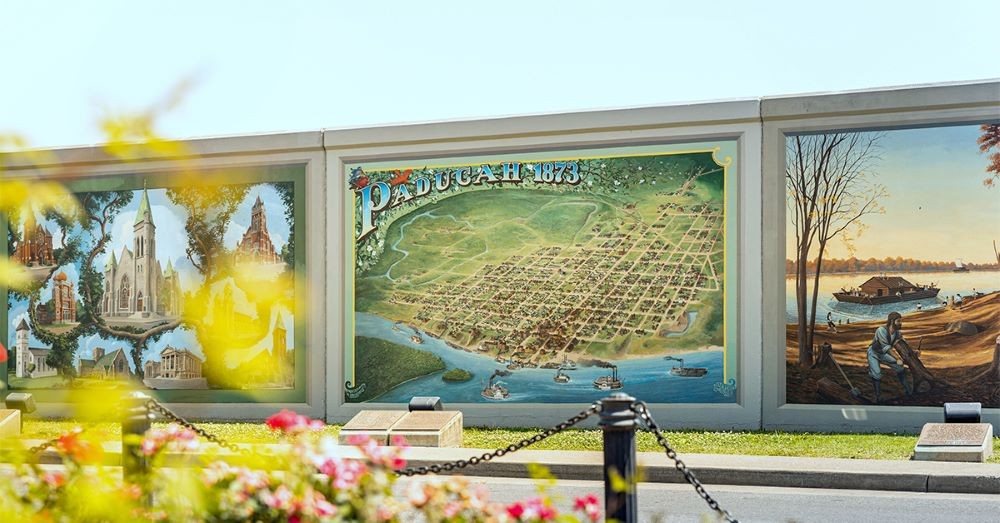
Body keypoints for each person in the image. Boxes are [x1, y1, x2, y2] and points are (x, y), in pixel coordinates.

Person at [867, 311, 912, 403]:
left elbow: (903, 344)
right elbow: (886, 348)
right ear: (892, 321)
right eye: (899, 321)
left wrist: (913, 352)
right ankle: (878, 397)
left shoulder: (897, 333)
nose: (901, 323)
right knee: (877, 374)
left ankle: (908, 390)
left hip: (883, 355)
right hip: (874, 354)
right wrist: (898, 358)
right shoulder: (881, 330)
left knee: (900, 368)